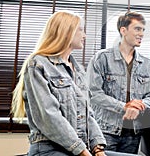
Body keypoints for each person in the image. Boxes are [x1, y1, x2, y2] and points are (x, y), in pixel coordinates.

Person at [11, 10, 107, 156]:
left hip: (80, 149)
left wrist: (97, 149)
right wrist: (82, 151)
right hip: (49, 149)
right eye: (80, 30)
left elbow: (88, 115)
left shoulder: (79, 70)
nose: (84, 35)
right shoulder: (37, 64)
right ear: (66, 32)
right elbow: (49, 116)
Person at [86, 11, 150, 154]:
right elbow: (93, 94)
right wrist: (124, 107)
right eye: (137, 29)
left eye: (143, 30)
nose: (142, 34)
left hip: (133, 133)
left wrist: (138, 107)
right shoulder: (102, 58)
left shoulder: (146, 64)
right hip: (105, 131)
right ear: (123, 30)